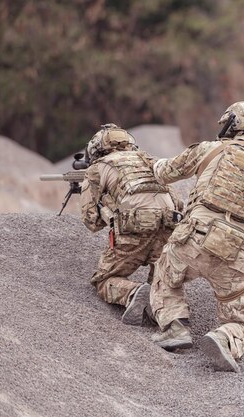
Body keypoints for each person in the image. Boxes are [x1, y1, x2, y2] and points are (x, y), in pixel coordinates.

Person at [149, 101, 244, 372]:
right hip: (237, 253)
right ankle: (225, 337)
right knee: (238, 320)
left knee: (164, 276)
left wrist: (149, 165)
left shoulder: (209, 150)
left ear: (230, 125)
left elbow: (165, 172)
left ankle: (176, 326)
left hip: (193, 241)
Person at [80, 124, 183, 325]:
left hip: (134, 230)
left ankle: (133, 292)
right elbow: (177, 202)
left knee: (103, 280)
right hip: (169, 227)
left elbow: (90, 220)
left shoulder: (97, 167)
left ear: (97, 149)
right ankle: (164, 309)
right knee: (163, 281)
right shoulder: (149, 160)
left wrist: (107, 209)